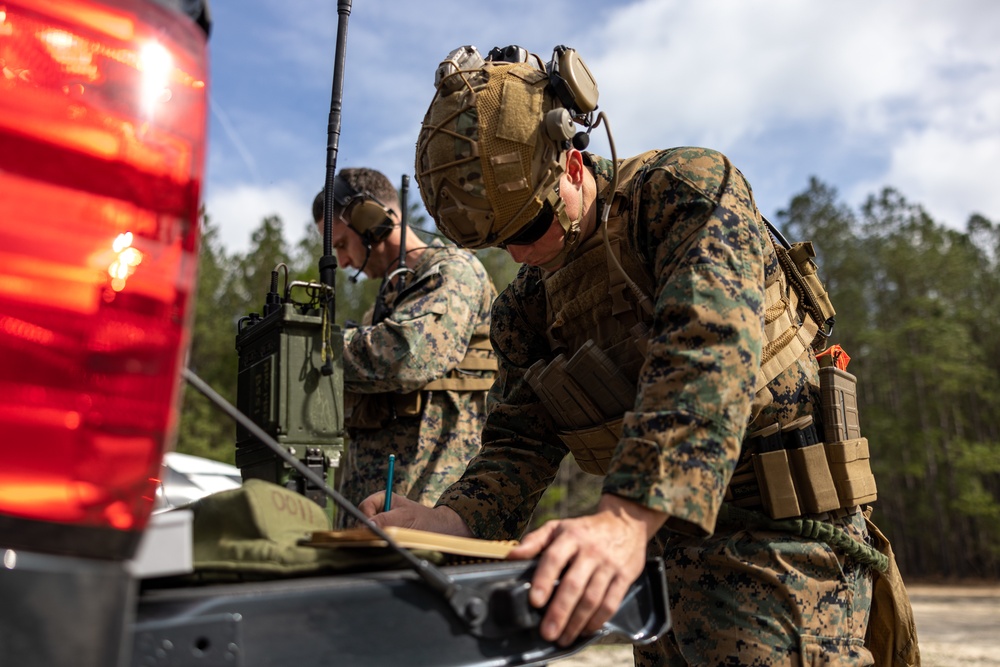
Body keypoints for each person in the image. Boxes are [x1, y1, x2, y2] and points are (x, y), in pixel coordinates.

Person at [360, 46, 886, 665]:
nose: (522, 256)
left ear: (574, 163)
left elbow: (708, 349)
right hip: (658, 560)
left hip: (784, 541)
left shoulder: (682, 191)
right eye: (500, 244)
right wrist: (452, 520)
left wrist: (624, 521)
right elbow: (519, 444)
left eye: (529, 229)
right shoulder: (525, 308)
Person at [313, 167, 497, 513]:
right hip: (370, 516)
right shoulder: (381, 310)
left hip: (430, 515)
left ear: (372, 221)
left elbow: (407, 356)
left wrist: (311, 348)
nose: (341, 261)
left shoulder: (453, 272)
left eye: (341, 244)